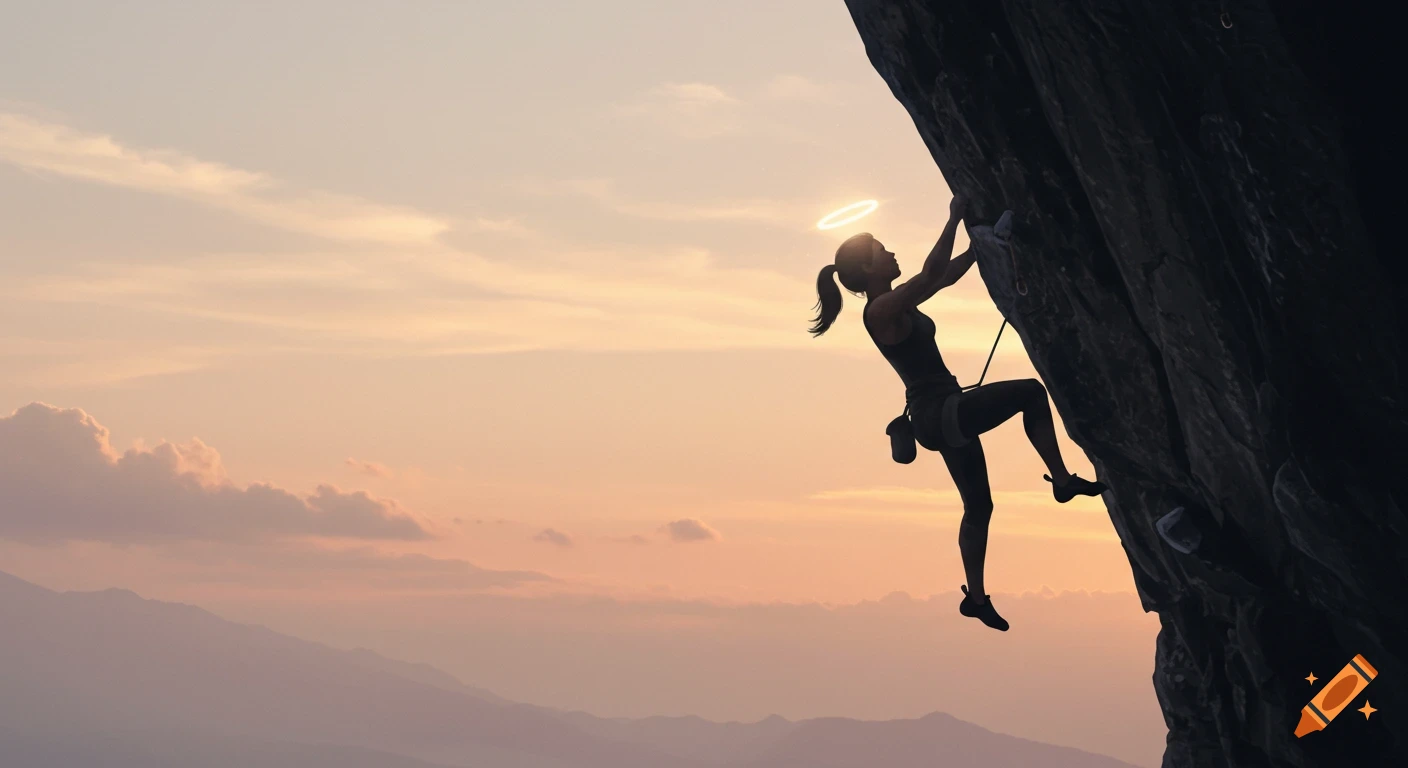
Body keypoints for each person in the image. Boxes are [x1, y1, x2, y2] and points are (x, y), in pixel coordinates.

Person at [807, 194, 1107, 631]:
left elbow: (942, 277)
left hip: (940, 416)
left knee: (979, 506)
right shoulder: (881, 310)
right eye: (881, 251)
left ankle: (977, 598)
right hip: (940, 412)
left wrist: (980, 248)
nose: (891, 252)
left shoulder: (897, 303)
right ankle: (1061, 481)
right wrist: (953, 219)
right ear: (869, 270)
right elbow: (931, 274)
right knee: (1030, 392)